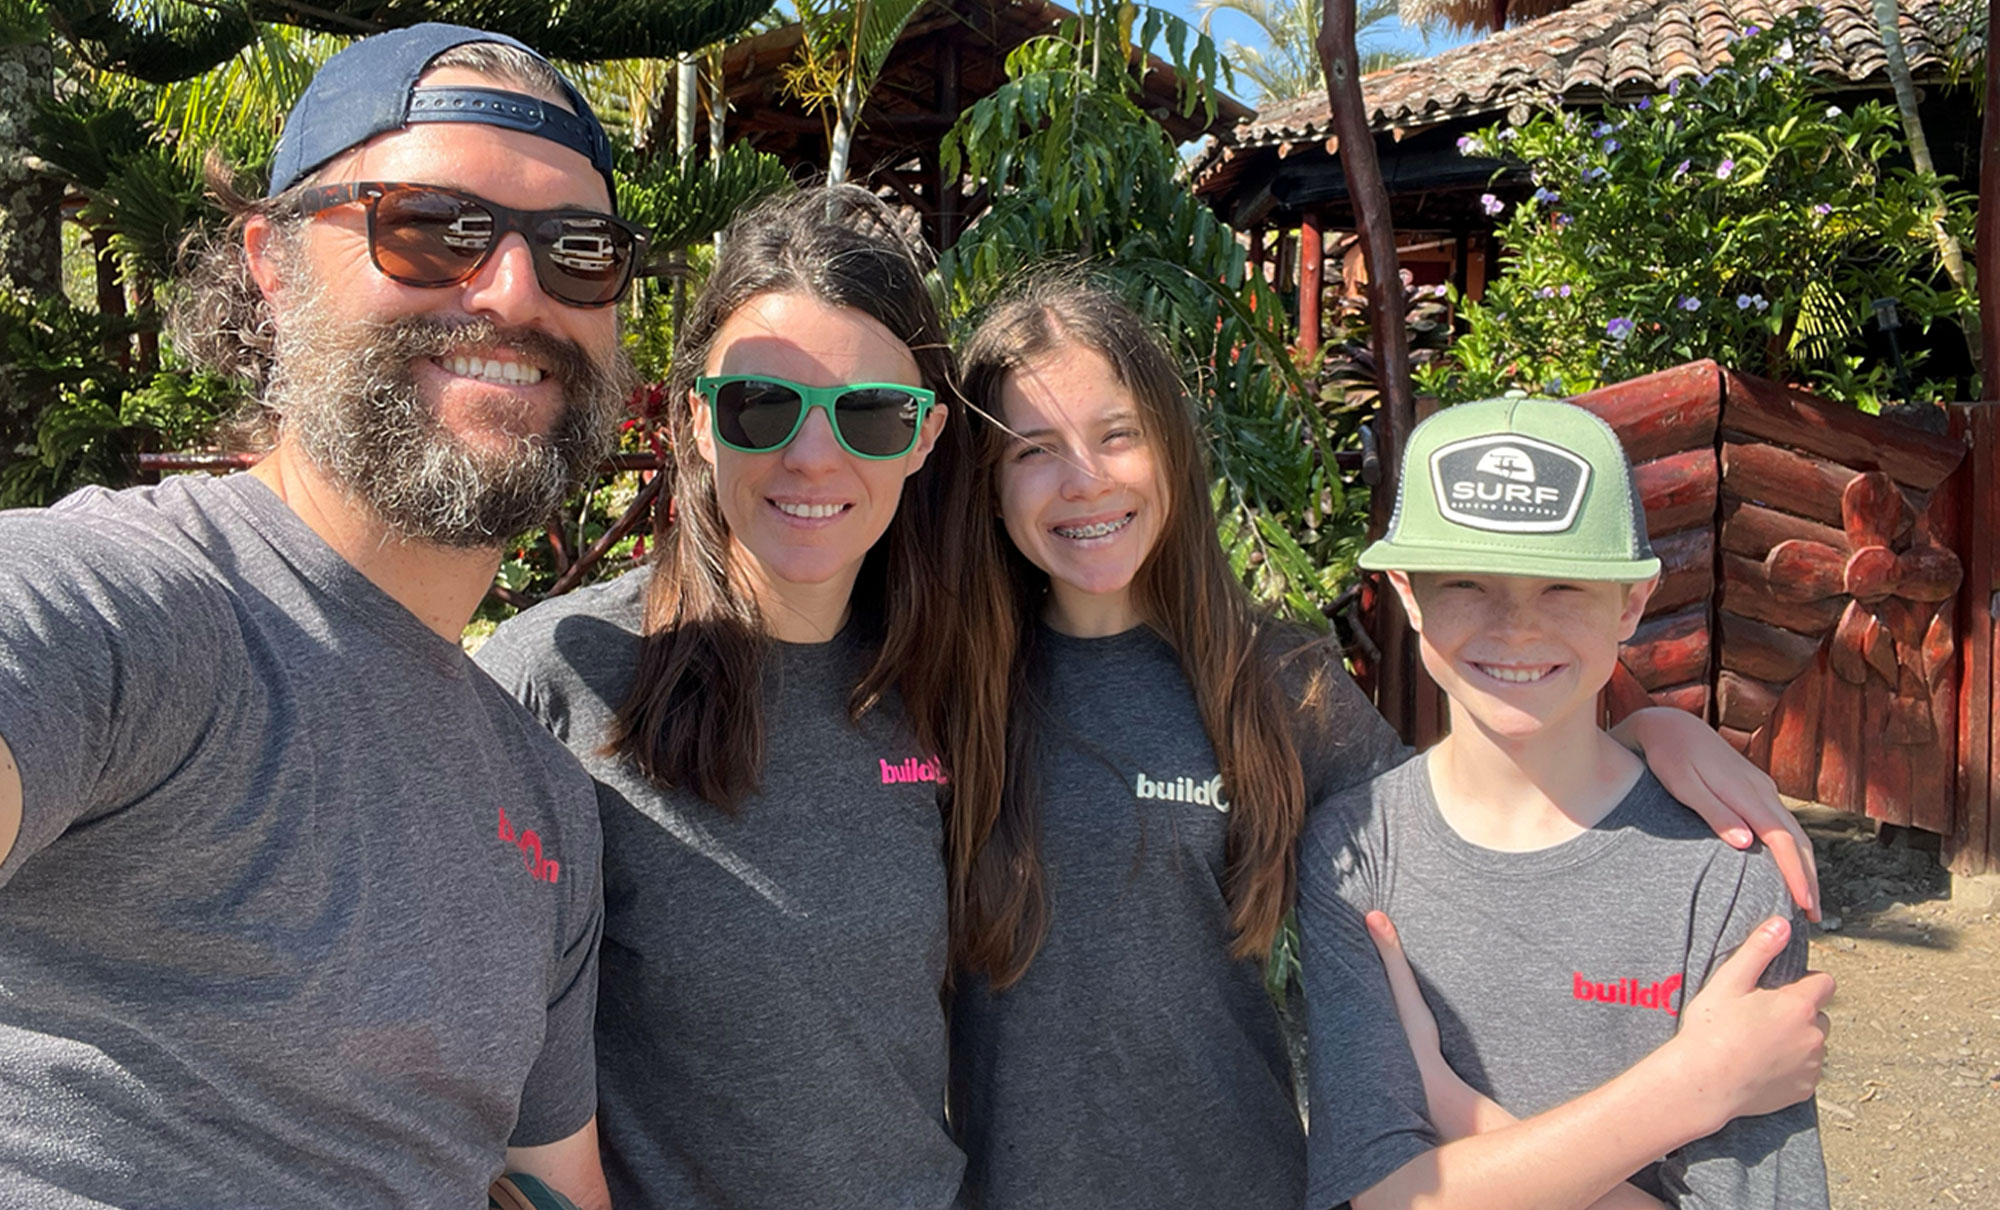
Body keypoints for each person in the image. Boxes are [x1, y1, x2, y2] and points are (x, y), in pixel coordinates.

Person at [945, 274, 1828, 1210]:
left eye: (1117, 433)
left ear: (1170, 445)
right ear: (988, 485)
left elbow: (1464, 807)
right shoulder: (939, 686)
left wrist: (1648, 732)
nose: (1084, 477)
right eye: (1033, 450)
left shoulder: (1272, 682)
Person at [0, 23, 641, 1208]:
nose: (512, 289)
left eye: (578, 249)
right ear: (274, 266)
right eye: (431, 225)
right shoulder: (130, 609)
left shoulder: (545, 799)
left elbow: (551, 1183)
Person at [474, 185, 1008, 1209]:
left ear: (926, 437)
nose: (813, 455)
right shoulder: (564, 679)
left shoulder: (949, 682)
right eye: (762, 405)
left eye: (869, 412)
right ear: (695, 420)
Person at [1299, 395, 1831, 1209]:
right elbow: (1381, 1196)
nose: (1516, 627)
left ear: (1631, 603)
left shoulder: (1723, 876)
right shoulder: (1356, 851)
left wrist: (1452, 1109)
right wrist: (1693, 1087)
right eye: (1469, 583)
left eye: (1563, 587)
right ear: (1407, 593)